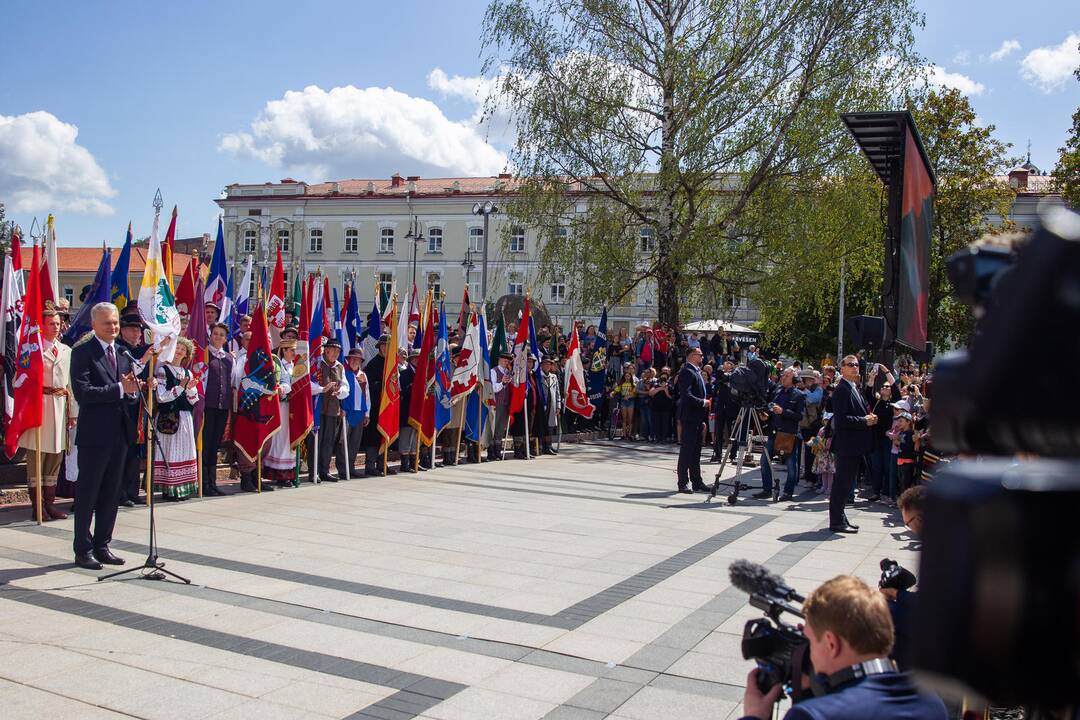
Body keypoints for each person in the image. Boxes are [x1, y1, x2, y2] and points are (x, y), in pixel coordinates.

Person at [740, 576, 947, 720]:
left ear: (831, 643)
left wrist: (754, 716)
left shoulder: (813, 716)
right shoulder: (931, 701)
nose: (808, 652)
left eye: (810, 641)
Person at [69, 302, 141, 570]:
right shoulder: (83, 353)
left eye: (116, 323)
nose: (113, 327)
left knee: (111, 493)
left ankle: (102, 545)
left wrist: (134, 391)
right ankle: (82, 548)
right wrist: (121, 389)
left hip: (119, 434)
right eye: (107, 323)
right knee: (88, 493)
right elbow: (84, 393)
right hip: (94, 435)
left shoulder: (122, 353)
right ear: (94, 325)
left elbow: (127, 394)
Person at [18, 308, 77, 520]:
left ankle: (50, 503)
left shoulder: (66, 350)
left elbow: (70, 382)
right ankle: (37, 505)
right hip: (39, 405)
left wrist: (73, 413)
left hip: (60, 406)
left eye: (58, 323)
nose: (56, 327)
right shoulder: (32, 349)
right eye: (51, 323)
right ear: (42, 325)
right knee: (37, 456)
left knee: (55, 456)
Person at [827, 355, 875, 534]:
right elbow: (841, 420)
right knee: (842, 484)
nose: (855, 367)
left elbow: (860, 410)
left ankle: (841, 517)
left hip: (855, 445)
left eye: (857, 364)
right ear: (842, 368)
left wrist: (869, 418)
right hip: (847, 445)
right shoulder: (842, 390)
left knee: (847, 484)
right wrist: (864, 420)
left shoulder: (854, 387)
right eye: (851, 365)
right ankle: (836, 521)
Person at [153, 337, 201, 501]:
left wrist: (190, 389)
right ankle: (169, 489)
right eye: (177, 348)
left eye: (183, 349)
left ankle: (181, 488)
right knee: (170, 451)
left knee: (184, 451)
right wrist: (180, 387)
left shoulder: (187, 372)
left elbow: (194, 400)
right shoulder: (163, 370)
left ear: (186, 354)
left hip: (185, 417)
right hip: (169, 417)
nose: (179, 351)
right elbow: (161, 397)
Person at [755, 367, 806, 502]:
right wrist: (766, 415)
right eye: (783, 375)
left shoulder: (799, 395)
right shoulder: (777, 391)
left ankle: (788, 492)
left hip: (788, 435)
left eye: (787, 376)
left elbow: (799, 416)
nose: (783, 378)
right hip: (773, 432)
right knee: (764, 461)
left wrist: (783, 412)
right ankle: (766, 489)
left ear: (794, 379)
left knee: (791, 465)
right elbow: (770, 408)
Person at [115, 310, 150, 506]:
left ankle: (132, 489)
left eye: (138, 330)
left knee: (137, 449)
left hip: (139, 404)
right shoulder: (120, 350)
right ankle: (120, 492)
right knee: (124, 449)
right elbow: (125, 375)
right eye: (131, 329)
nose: (136, 333)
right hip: (123, 405)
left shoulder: (140, 350)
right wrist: (144, 358)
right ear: (122, 331)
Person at [200, 323, 231, 496]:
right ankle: (204, 482)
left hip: (222, 407)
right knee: (205, 444)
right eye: (215, 334)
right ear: (211, 335)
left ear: (226, 339)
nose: (218, 337)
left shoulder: (228, 358)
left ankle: (212, 482)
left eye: (221, 335)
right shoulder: (205, 354)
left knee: (215, 445)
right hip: (207, 406)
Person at [313, 337, 350, 482]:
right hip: (318, 408)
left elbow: (346, 387)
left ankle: (324, 470)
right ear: (326, 350)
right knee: (316, 440)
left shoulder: (340, 367)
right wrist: (322, 389)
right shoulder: (316, 363)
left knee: (329, 441)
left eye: (337, 351)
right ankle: (313, 471)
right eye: (332, 350)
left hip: (333, 409)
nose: (335, 353)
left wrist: (340, 391)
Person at [261, 339, 296, 487]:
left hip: (293, 408)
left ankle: (289, 472)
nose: (294, 354)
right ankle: (278, 473)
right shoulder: (279, 364)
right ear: (285, 351)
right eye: (291, 350)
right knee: (280, 438)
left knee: (289, 439)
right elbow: (282, 383)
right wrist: (283, 388)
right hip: (281, 406)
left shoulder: (297, 366)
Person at [675, 346, 709, 493]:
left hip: (697, 416)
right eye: (699, 354)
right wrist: (702, 402)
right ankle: (682, 482)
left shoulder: (696, 371)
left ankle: (697, 481)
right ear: (690, 356)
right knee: (687, 450)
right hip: (689, 416)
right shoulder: (687, 371)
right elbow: (686, 395)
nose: (701, 357)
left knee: (696, 451)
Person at [339, 348, 371, 476]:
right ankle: (342, 469)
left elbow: (367, 395)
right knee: (343, 441)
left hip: (360, 412)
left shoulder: (363, 375)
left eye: (357, 359)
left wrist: (367, 413)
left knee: (355, 442)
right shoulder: (344, 373)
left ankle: (351, 467)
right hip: (347, 412)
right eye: (352, 359)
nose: (354, 361)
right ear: (348, 360)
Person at [489, 352, 513, 461]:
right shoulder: (494, 371)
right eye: (504, 360)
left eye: (508, 361)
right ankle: (491, 452)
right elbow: (493, 389)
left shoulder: (508, 372)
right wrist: (502, 383)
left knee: (500, 429)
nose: (506, 362)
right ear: (499, 360)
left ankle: (498, 451)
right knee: (494, 428)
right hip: (496, 403)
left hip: (505, 403)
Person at [539, 354, 562, 454]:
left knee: (550, 426)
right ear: (541, 365)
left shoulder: (554, 377)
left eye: (549, 364)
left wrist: (558, 405)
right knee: (541, 425)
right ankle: (541, 446)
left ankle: (548, 446)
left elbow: (557, 393)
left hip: (551, 404)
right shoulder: (538, 376)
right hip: (541, 405)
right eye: (546, 364)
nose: (548, 366)